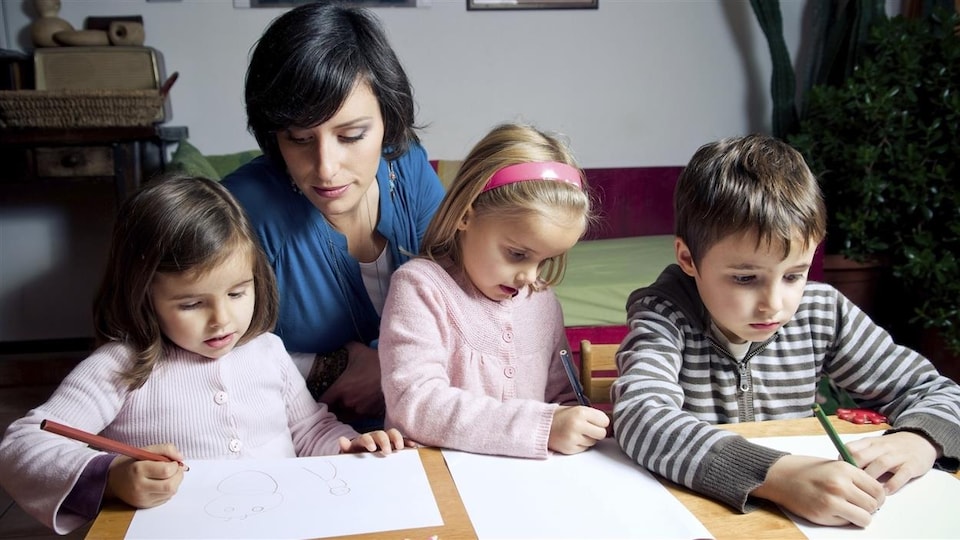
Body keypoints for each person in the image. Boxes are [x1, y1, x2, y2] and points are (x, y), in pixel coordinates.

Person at [0, 175, 406, 535]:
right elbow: (22, 445)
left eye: (237, 292)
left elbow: (308, 431)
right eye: (192, 304)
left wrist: (349, 446)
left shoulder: (266, 350)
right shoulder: (121, 367)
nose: (222, 320)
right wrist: (112, 476)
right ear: (144, 295)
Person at [612, 134, 960, 528]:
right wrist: (775, 476)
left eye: (795, 275)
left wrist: (919, 439)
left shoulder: (822, 311)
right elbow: (641, 417)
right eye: (745, 278)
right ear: (688, 259)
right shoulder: (663, 315)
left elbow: (937, 391)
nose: (774, 304)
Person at [221, 2, 445, 427]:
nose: (325, 168)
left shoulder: (407, 167)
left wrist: (390, 365)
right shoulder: (243, 209)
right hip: (294, 443)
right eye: (300, 139)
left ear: (388, 121)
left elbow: (461, 292)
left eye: (351, 135)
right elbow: (196, 354)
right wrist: (328, 366)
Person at [379, 122, 611, 459]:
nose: (529, 276)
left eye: (546, 260)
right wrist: (543, 426)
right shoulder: (420, 287)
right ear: (465, 215)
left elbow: (562, 397)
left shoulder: (542, 302)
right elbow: (415, 403)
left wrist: (580, 421)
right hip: (436, 482)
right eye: (517, 254)